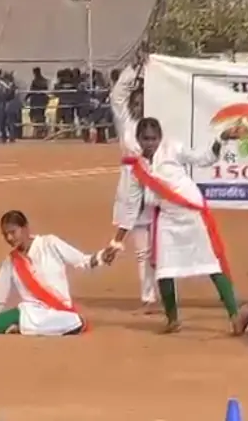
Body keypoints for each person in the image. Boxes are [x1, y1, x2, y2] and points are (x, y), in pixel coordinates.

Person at [112, 118, 241, 334]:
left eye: (153, 138)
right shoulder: (137, 168)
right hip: (167, 218)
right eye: (145, 139)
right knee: (164, 269)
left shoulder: (173, 148)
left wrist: (221, 139)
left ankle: (235, 316)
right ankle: (172, 319)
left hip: (191, 213)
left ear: (160, 138)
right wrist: (116, 241)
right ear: (138, 140)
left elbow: (203, 158)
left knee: (211, 264)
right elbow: (132, 206)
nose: (150, 143)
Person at [0, 211, 120, 335]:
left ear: (25, 228)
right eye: (5, 235)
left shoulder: (50, 243)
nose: (9, 238)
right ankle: (27, 328)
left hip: (59, 311)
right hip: (30, 312)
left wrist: (102, 257)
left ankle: (25, 328)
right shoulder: (11, 262)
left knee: (74, 321)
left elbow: (84, 261)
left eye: (13, 232)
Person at [109, 63, 159, 313]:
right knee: (143, 251)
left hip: (159, 192)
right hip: (132, 192)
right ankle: (149, 298)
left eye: (143, 102)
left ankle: (168, 295)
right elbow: (117, 96)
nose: (139, 106)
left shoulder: (158, 127)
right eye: (136, 103)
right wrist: (134, 68)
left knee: (164, 249)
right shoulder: (127, 126)